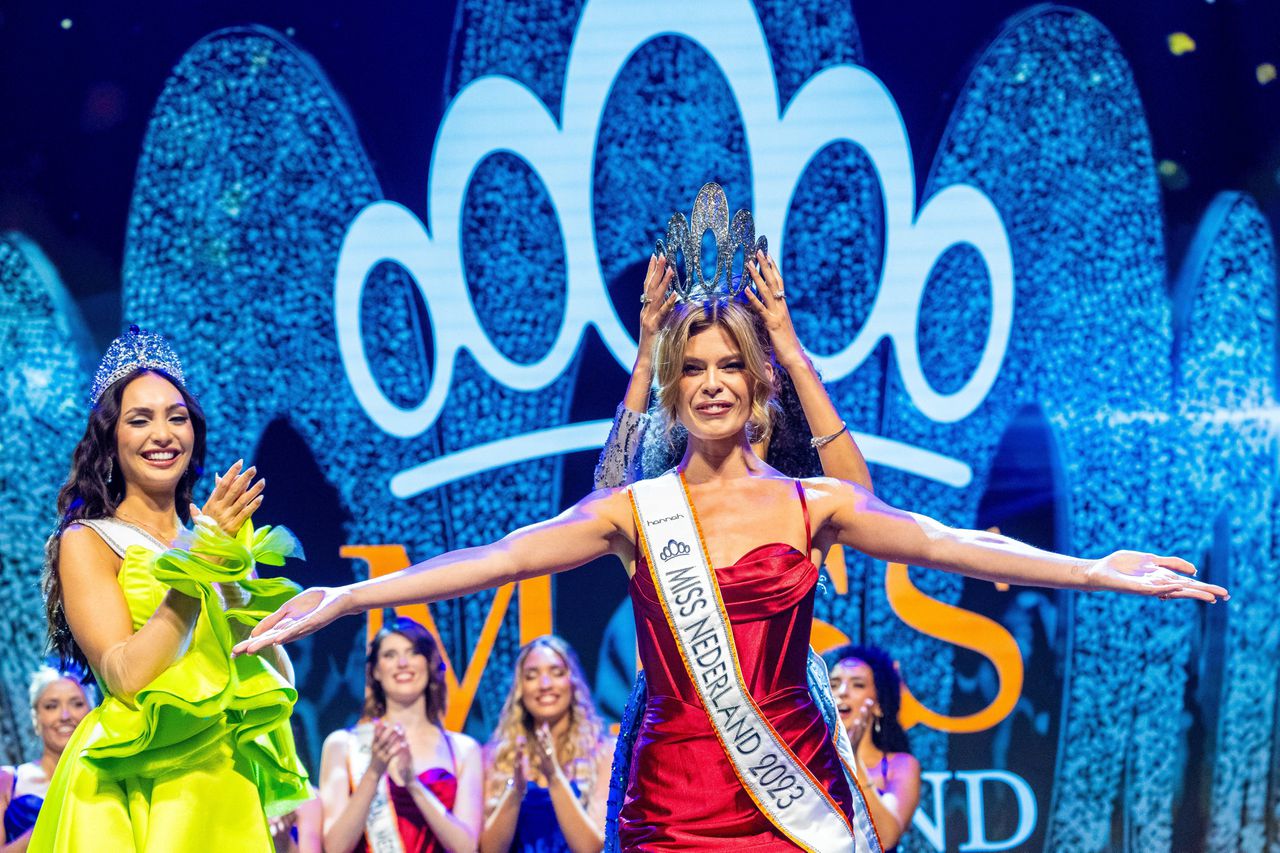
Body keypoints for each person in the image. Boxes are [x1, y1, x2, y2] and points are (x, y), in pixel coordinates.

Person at [236, 191, 1225, 850]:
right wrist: (349, 591)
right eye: (692, 368)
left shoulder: (812, 502)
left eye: (726, 367)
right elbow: (497, 555)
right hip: (668, 790)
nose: (710, 382)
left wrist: (1095, 567)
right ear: (673, 390)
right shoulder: (633, 509)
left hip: (791, 784)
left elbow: (944, 542)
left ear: (756, 388)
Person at [30, 325, 309, 852]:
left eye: (176, 418)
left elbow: (271, 674)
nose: (163, 434)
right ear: (111, 439)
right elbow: (126, 676)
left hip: (221, 778)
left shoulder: (216, 531)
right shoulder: (88, 540)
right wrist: (200, 564)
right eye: (140, 419)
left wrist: (238, 578)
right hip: (134, 775)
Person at [318, 616, 482, 853]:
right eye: (390, 655)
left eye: (413, 652)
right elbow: (334, 848)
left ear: (429, 663)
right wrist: (374, 771)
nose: (403, 663)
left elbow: (467, 848)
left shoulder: (464, 749)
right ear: (374, 670)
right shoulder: (343, 745)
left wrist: (413, 783)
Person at [481, 636, 614, 853]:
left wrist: (554, 777)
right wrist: (515, 789)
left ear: (573, 681)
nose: (545, 685)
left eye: (557, 673)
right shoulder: (499, 755)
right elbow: (489, 850)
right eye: (532, 676)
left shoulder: (603, 752)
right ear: (520, 689)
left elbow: (592, 847)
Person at [823, 645, 920, 852]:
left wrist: (854, 761)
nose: (842, 693)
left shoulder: (900, 765)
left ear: (879, 705)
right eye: (834, 684)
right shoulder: (811, 762)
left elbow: (884, 838)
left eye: (857, 685)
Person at [0, 667, 96, 852]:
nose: (65, 716)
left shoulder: (108, 780)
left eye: (76, 704)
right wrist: (49, 822)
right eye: (52, 706)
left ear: (91, 713)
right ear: (36, 718)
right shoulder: (7, 779)